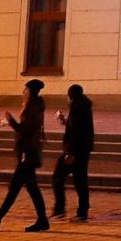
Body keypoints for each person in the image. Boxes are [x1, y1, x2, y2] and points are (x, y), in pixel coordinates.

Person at [0, 78, 49, 232]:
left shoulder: (32, 107)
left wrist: (11, 120)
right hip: (29, 153)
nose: (23, 92)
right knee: (29, 188)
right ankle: (40, 220)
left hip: (27, 153)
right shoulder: (35, 106)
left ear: (30, 91)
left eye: (25, 89)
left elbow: (25, 131)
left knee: (17, 188)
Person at [51, 84, 94, 221]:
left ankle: (59, 209)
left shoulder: (75, 108)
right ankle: (82, 212)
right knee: (80, 182)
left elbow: (76, 132)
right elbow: (78, 127)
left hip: (74, 151)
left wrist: (70, 153)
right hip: (83, 150)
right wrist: (65, 121)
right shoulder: (84, 107)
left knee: (58, 178)